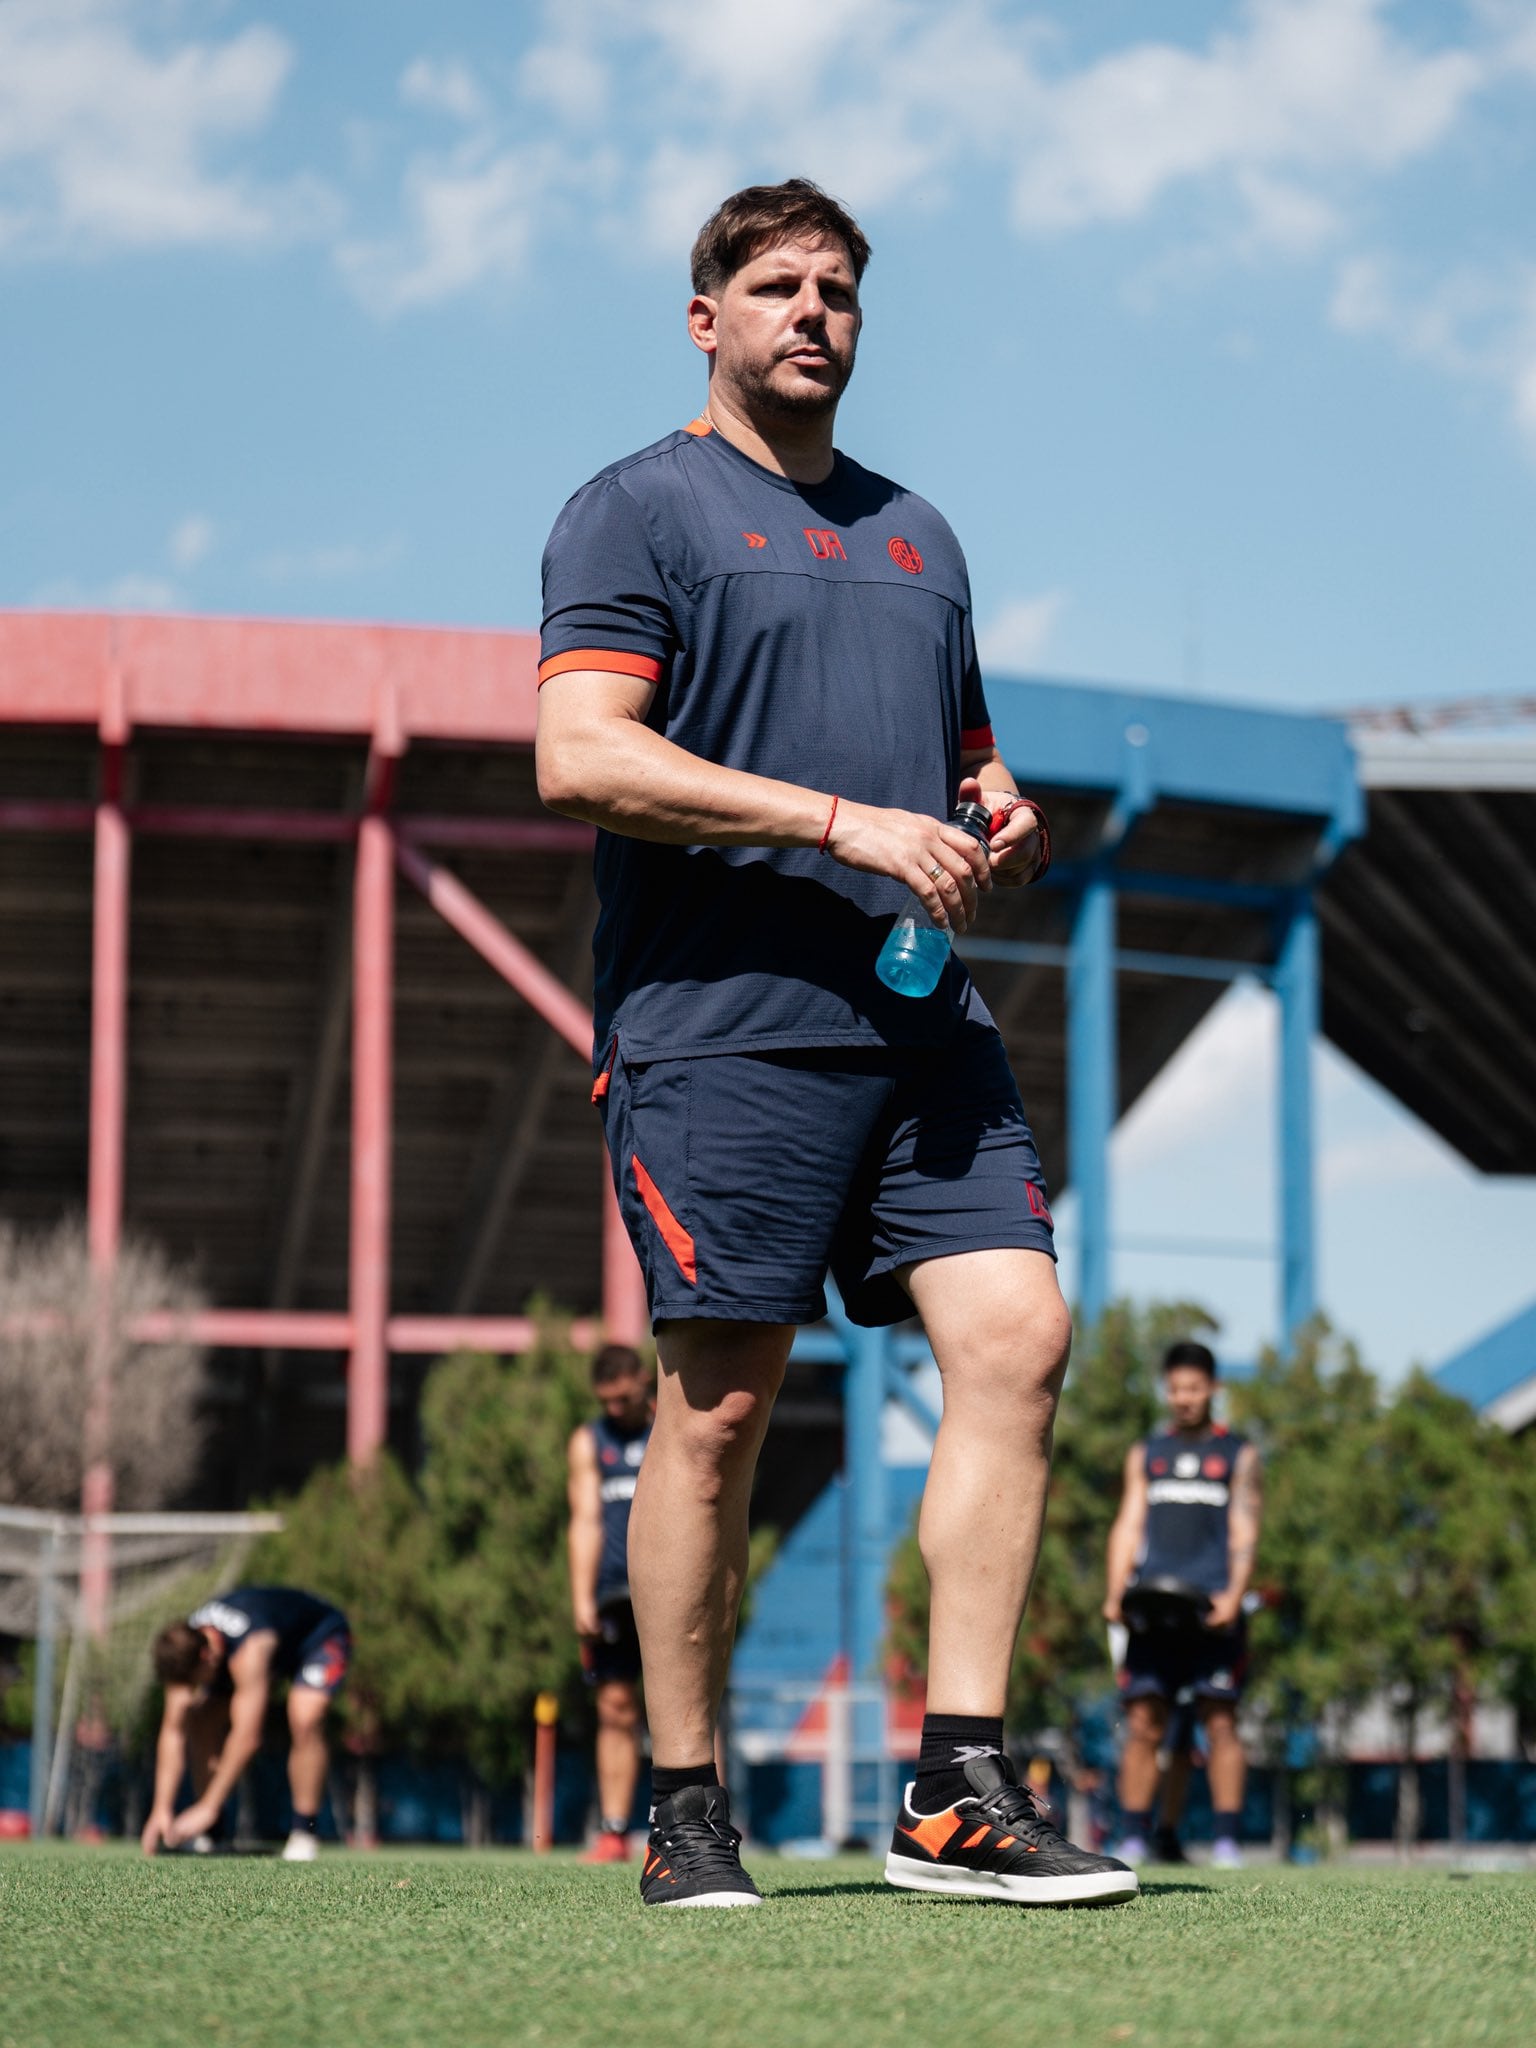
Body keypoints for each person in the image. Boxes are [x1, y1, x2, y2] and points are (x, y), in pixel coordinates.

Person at [536, 177, 1136, 1910]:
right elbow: (582, 755)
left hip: (918, 1021)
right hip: (723, 1032)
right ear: (705, 319)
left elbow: (963, 756)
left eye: (840, 290)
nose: (814, 313)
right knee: (719, 1409)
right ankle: (684, 1806)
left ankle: (957, 1789)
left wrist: (994, 811)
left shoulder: (920, 534)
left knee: (1019, 1337)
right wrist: (832, 819)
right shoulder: (633, 510)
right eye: (777, 286)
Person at [1104, 1341, 1263, 1868]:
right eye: (1175, 1389)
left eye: (1194, 1388)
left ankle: (1226, 1842)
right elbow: (1128, 1524)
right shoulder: (1147, 1453)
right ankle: (1132, 1837)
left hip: (1212, 1611)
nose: (1184, 1398)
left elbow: (1245, 1528)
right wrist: (1115, 1592)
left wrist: (1234, 1596)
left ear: (1213, 1389)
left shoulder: (1238, 1454)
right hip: (1152, 1610)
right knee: (1143, 1722)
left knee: (1220, 1723)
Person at [140, 1584, 350, 1861]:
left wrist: (207, 1806)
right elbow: (173, 1731)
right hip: (262, 1646)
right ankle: (212, 1833)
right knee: (200, 1718)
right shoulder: (184, 1647)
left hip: (319, 1635)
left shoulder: (250, 1649)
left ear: (207, 1658)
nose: (189, 1691)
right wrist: (161, 1808)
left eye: (193, 1684)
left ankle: (304, 1832)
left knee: (305, 1717)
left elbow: (247, 1737)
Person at [567, 1343, 656, 1863]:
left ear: (643, 1379)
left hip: (669, 1591)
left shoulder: (671, 1427)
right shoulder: (589, 1441)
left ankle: (699, 1825)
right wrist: (582, 1597)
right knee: (615, 1709)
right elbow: (585, 1520)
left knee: (689, 1709)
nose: (615, 1409)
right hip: (613, 1596)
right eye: (607, 1401)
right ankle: (614, 1832)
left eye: (623, 1398)